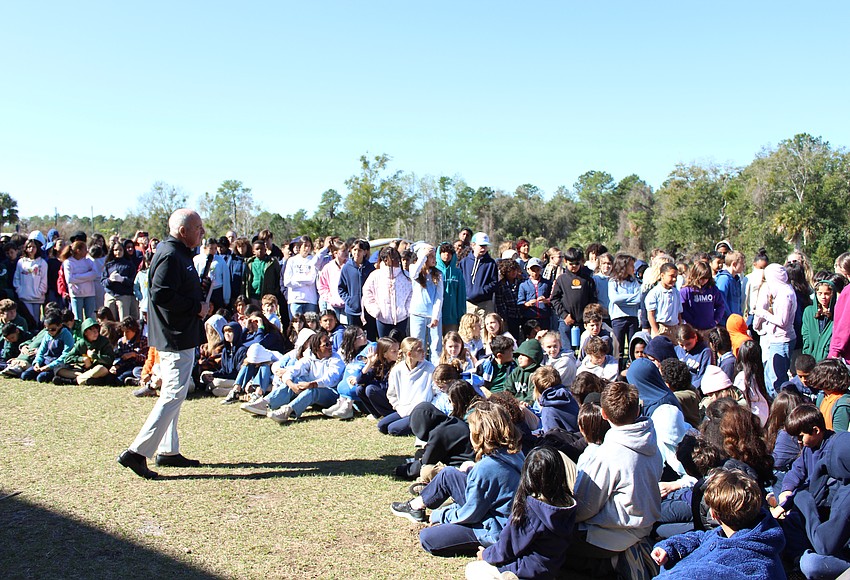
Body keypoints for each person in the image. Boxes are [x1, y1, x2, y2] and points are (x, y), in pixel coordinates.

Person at [117, 209, 209, 480]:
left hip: (180, 334)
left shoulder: (178, 253)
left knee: (174, 393)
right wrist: (197, 307)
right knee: (173, 394)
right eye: (198, 227)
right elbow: (161, 295)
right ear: (183, 231)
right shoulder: (170, 255)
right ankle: (137, 452)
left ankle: (168, 451)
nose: (202, 232)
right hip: (175, 335)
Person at [391, 400, 524, 557]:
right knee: (448, 474)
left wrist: (441, 515)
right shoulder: (515, 453)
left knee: (428, 538)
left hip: (496, 527)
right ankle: (416, 506)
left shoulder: (486, 468)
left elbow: (471, 513)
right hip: (503, 515)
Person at [565, 381, 663, 576]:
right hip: (643, 526)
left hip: (613, 535)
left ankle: (614, 564)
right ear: (637, 410)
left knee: (554, 541)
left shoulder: (608, 454)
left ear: (603, 414)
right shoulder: (651, 441)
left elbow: (585, 508)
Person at [651, 468, 786, 579]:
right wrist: (670, 547)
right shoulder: (750, 533)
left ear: (714, 515)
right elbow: (702, 537)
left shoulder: (752, 566)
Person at [466, 446, 577, 580]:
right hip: (550, 570)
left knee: (472, 569)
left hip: (525, 570)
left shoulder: (531, 509)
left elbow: (507, 547)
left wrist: (485, 555)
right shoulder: (569, 504)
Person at [752, 263, 797, 398]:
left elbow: (782, 321)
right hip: (778, 338)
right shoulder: (784, 290)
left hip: (782, 340)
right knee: (770, 375)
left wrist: (762, 313)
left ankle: (779, 407)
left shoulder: (785, 295)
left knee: (776, 380)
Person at [549, 247, 596, 350]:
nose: (574, 266)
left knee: (586, 350)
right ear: (565, 261)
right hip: (566, 321)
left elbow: (593, 300)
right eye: (571, 264)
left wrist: (588, 317)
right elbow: (554, 299)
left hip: (584, 322)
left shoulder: (588, 280)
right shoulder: (561, 279)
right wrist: (565, 315)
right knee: (567, 351)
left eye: (577, 264)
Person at [362, 246, 412, 339]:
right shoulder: (375, 276)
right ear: (385, 260)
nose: (398, 261)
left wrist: (407, 309)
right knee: (385, 346)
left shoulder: (406, 276)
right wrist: (375, 310)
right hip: (383, 318)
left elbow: (412, 293)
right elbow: (367, 293)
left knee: (399, 346)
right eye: (394, 258)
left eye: (398, 258)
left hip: (401, 318)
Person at [409, 243, 444, 362]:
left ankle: (435, 370)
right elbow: (414, 274)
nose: (434, 259)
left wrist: (435, 316)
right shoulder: (414, 269)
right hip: (417, 314)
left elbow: (439, 297)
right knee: (417, 344)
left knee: (436, 346)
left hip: (433, 315)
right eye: (431, 256)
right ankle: (418, 366)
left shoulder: (438, 274)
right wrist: (423, 255)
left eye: (435, 256)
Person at [608, 253, 642, 359]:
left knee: (633, 347)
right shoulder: (613, 282)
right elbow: (615, 299)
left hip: (633, 318)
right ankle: (618, 372)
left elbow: (638, 298)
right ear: (624, 266)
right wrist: (630, 298)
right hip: (618, 319)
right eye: (631, 266)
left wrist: (623, 299)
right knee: (618, 349)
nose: (634, 268)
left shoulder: (634, 282)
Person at [459, 232, 499, 318]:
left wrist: (482, 291)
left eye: (485, 246)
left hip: (485, 304)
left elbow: (494, 283)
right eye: (481, 246)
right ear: (473, 245)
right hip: (468, 304)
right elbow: (460, 281)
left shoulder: (491, 263)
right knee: (468, 329)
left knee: (484, 330)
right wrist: (467, 292)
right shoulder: (464, 262)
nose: (483, 248)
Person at [102, 240, 140, 321]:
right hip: (110, 295)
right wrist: (110, 280)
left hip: (124, 296)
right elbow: (103, 281)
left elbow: (133, 281)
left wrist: (122, 280)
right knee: (110, 320)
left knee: (124, 320)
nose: (118, 252)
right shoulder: (108, 265)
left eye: (120, 250)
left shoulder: (129, 265)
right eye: (116, 250)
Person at [13, 238, 47, 326]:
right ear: (26, 249)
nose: (31, 249)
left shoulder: (42, 263)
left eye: (34, 247)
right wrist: (19, 291)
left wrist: (40, 292)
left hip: (37, 297)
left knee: (36, 320)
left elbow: (44, 280)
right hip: (24, 296)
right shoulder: (21, 262)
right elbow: (16, 278)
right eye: (29, 247)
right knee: (28, 319)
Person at [802, 278, 837, 362]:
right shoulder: (809, 311)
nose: (823, 297)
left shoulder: (837, 312)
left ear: (832, 294)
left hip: (827, 359)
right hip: (810, 356)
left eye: (827, 294)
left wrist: (827, 351)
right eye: (820, 293)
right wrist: (807, 349)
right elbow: (805, 333)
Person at [435, 242, 466, 335]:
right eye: (444, 252)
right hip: (437, 316)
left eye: (449, 253)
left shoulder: (457, 273)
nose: (446, 255)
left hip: (452, 316)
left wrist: (461, 315)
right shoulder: (434, 271)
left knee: (452, 341)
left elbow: (461, 296)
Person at [714, 251, 745, 323]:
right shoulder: (724, 279)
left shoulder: (737, 280)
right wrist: (731, 318)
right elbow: (721, 301)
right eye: (742, 263)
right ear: (734, 264)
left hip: (735, 322)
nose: (743, 266)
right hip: (725, 322)